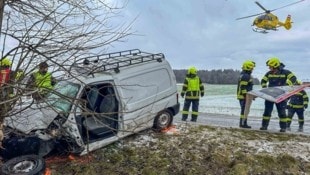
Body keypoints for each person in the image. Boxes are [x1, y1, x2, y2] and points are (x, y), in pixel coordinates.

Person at [260, 57, 297, 132]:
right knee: (267, 111)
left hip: (281, 96)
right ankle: (264, 126)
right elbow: (263, 81)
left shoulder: (285, 72)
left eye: (271, 67)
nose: (269, 68)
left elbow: (293, 78)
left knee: (282, 112)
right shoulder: (268, 73)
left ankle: (283, 128)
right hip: (269, 95)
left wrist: (288, 86)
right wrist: (264, 88)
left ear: (275, 65)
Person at [237, 60, 255, 128]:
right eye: (251, 68)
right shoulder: (246, 76)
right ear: (248, 68)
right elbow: (243, 87)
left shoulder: (243, 75)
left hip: (243, 96)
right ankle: (243, 124)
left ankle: (243, 123)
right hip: (244, 96)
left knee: (244, 110)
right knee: (244, 110)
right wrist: (246, 96)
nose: (252, 69)